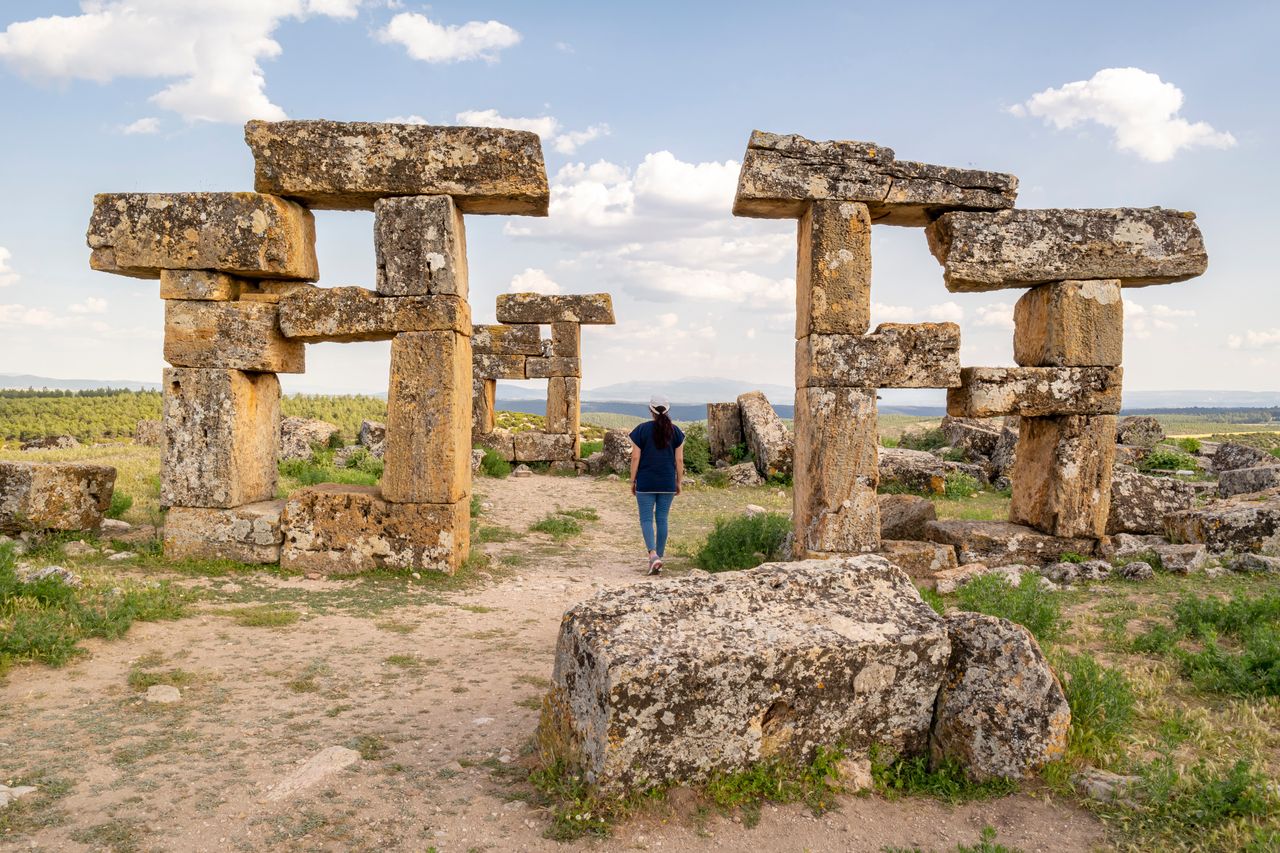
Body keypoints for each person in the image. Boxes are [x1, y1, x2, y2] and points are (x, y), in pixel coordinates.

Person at [629, 394, 684, 575]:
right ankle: (659, 557)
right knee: (662, 519)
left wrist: (632, 480)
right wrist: (679, 481)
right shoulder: (676, 432)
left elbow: (635, 457)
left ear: (650, 410)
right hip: (667, 481)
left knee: (646, 519)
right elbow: (679, 460)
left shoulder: (641, 430)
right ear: (667, 410)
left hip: (646, 481)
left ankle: (653, 555)